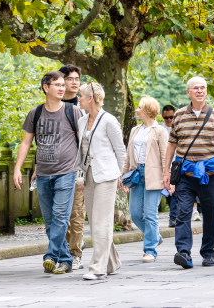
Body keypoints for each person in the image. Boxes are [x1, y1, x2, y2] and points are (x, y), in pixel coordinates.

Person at [14, 72, 83, 275]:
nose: (63, 88)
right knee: (50, 222)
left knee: (60, 217)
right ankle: (65, 259)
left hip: (67, 172)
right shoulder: (35, 113)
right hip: (43, 174)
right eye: (58, 85)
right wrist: (18, 168)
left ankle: (51, 256)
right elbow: (26, 142)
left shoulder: (73, 111)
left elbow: (83, 142)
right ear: (46, 87)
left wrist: (84, 170)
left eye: (64, 84)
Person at [163, 77, 214, 269]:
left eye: (203, 87)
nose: (200, 91)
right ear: (188, 92)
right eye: (196, 88)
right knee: (182, 213)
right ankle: (184, 252)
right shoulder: (178, 115)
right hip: (185, 176)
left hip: (210, 176)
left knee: (211, 215)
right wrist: (166, 172)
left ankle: (208, 252)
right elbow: (172, 145)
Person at [76, 82, 126, 280]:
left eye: (80, 95)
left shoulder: (109, 120)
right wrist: (80, 174)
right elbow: (82, 150)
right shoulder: (82, 121)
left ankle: (97, 267)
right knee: (95, 221)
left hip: (107, 175)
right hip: (88, 175)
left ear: (91, 98)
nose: (77, 98)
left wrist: (121, 175)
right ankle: (112, 263)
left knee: (101, 222)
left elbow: (120, 150)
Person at [122, 96, 169, 263]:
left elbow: (165, 156)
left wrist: (167, 177)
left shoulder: (160, 131)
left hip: (154, 175)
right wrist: (124, 176)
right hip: (136, 175)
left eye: (140, 108)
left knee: (150, 214)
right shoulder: (135, 130)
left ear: (149, 111)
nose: (137, 110)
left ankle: (150, 250)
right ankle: (155, 236)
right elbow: (128, 155)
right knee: (135, 214)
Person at [60, 63, 86, 270]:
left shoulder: (83, 105)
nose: (74, 83)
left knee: (76, 212)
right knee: (60, 214)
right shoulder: (53, 104)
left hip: (77, 168)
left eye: (77, 79)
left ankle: (75, 252)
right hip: (55, 168)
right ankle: (69, 246)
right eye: (70, 79)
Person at [161, 104, 178, 227]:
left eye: (171, 117)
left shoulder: (178, 128)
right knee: (168, 191)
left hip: (177, 164)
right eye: (166, 117)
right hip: (165, 164)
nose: (169, 120)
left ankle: (173, 217)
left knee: (175, 192)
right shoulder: (160, 130)